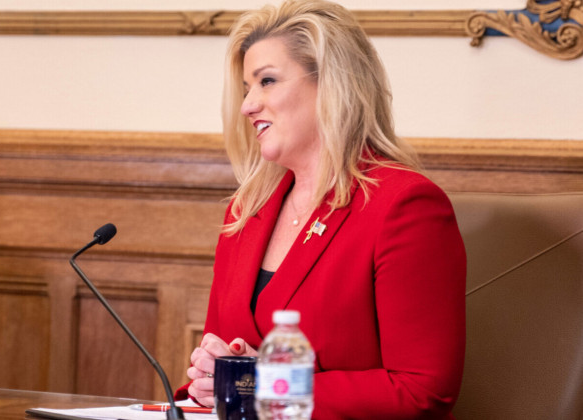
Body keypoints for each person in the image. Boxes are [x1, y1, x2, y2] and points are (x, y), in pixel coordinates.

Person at [175, 0, 466, 418]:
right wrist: (208, 380)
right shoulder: (247, 211)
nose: (248, 106)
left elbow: (423, 390)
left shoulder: (405, 206)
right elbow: (228, 370)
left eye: (267, 81)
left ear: (332, 83)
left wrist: (264, 384)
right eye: (245, 89)